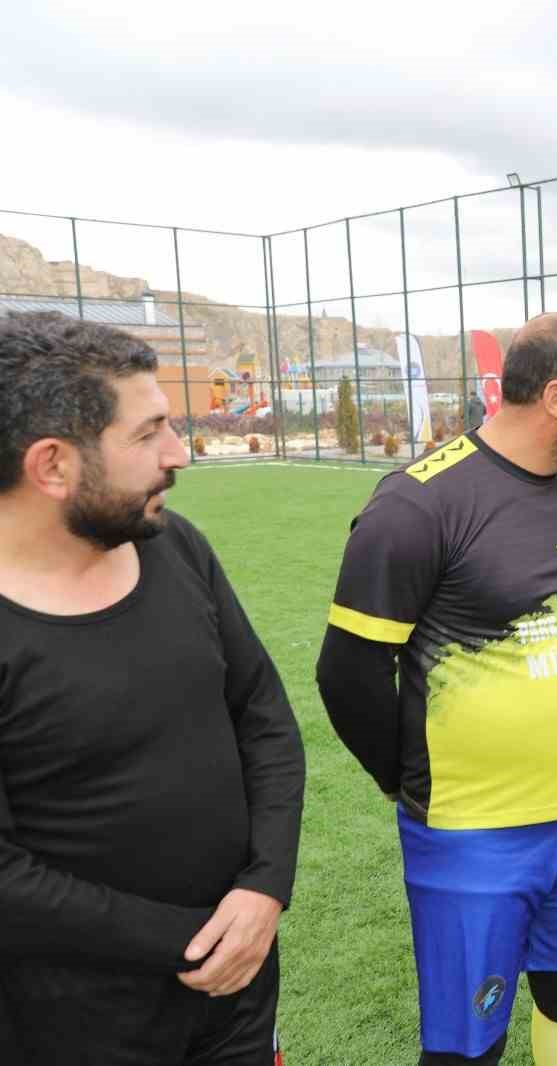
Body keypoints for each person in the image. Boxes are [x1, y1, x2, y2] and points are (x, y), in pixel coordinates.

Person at [316, 312, 557, 1066]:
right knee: (468, 1044)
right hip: (473, 834)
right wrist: (406, 777)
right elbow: (347, 673)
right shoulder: (418, 504)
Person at [0, 311, 305, 1065]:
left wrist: (264, 890)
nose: (179, 454)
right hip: (76, 1025)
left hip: (237, 991)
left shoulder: (176, 547)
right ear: (52, 466)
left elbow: (263, 716)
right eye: (148, 434)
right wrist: (198, 940)